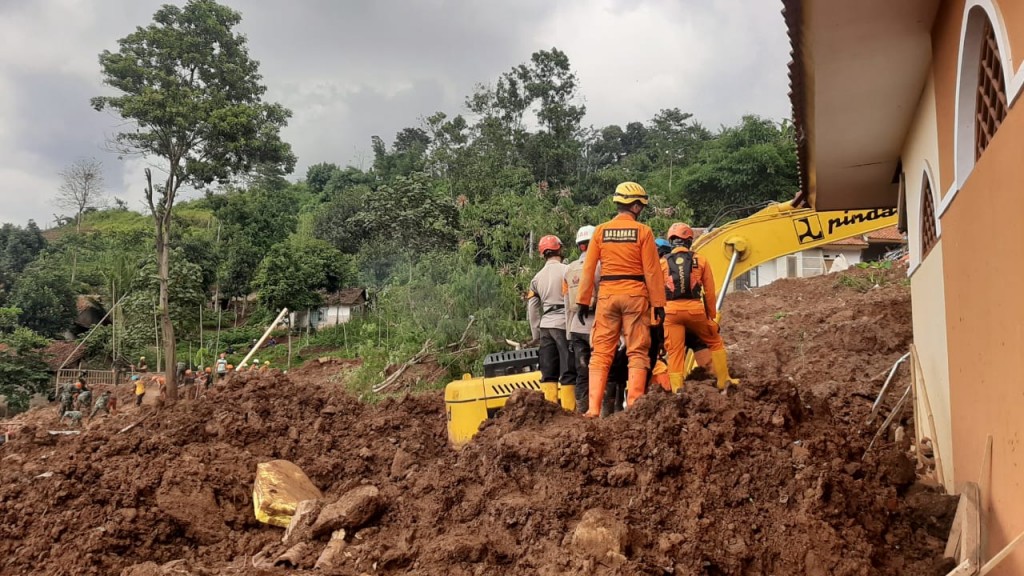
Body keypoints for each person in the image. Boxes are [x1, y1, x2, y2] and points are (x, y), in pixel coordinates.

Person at [576, 182, 666, 417]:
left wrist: (583, 301)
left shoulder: (600, 231)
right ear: (635, 206)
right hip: (635, 296)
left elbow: (588, 268)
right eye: (641, 206)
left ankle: (593, 409)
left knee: (601, 352)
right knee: (637, 351)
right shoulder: (643, 232)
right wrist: (658, 303)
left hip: (607, 295)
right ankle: (635, 404)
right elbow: (652, 271)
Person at [661, 222, 740, 392]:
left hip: (671, 312)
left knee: (675, 351)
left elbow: (656, 291)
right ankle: (723, 380)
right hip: (695, 311)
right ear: (689, 241)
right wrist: (711, 316)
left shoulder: (663, 263)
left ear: (671, 241)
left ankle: (677, 389)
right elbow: (709, 291)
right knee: (715, 341)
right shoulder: (701, 260)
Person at [528, 235, 575, 407]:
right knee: (569, 370)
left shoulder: (536, 278)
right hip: (564, 324)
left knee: (548, 372)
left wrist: (536, 333)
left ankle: (551, 413)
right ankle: (570, 412)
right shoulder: (568, 270)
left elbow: (532, 308)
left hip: (546, 327)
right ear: (560, 249)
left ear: (542, 254)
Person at [563, 225, 596, 413]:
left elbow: (568, 306)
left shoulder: (569, 270)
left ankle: (582, 413)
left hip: (576, 328)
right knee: (604, 370)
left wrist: (569, 335)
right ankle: (605, 413)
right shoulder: (601, 266)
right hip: (597, 326)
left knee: (582, 373)